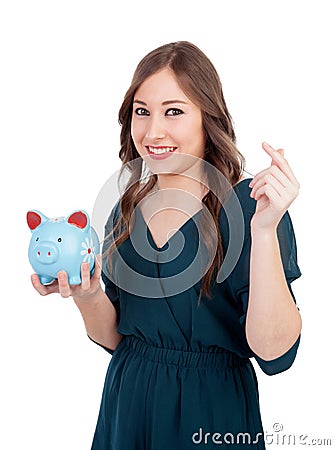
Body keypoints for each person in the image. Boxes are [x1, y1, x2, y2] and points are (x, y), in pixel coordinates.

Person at [31, 41, 302, 449]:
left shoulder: (251, 207)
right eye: (143, 111)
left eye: (173, 111)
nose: (153, 131)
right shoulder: (127, 210)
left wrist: (264, 231)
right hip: (127, 407)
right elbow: (120, 338)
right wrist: (87, 296)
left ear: (207, 118)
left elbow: (275, 355)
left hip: (212, 415)